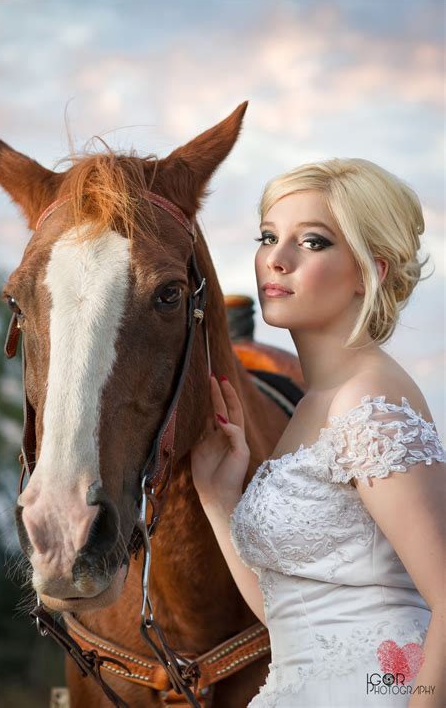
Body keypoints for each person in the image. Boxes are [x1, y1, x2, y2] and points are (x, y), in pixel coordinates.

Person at [190, 158, 445, 708]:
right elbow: (291, 614)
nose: (276, 260)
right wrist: (218, 499)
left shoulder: (367, 405)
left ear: (369, 272)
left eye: (311, 242)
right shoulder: (317, 404)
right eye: (268, 237)